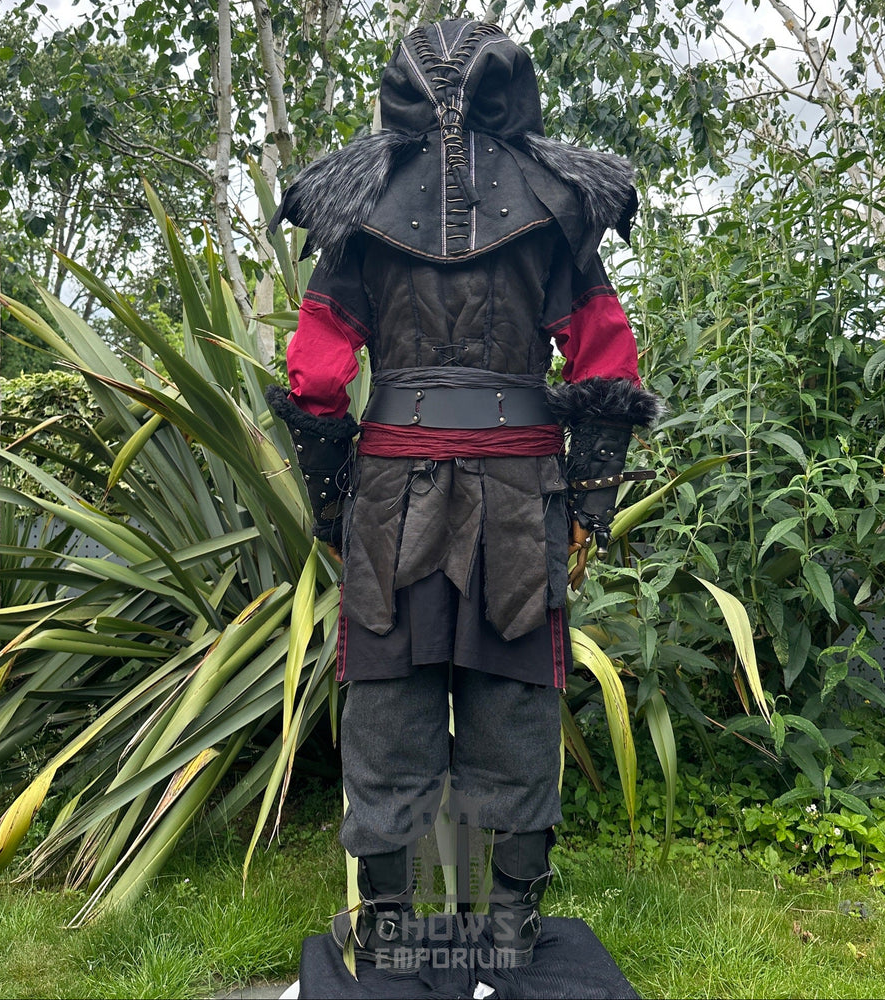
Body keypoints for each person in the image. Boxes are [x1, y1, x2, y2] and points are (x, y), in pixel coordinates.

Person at [266, 17, 660, 973]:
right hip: (522, 491)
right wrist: (590, 501)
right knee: (515, 695)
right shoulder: (555, 202)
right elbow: (606, 353)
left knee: (391, 700)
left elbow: (317, 372)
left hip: (393, 490)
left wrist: (330, 506)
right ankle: (511, 925)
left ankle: (391, 927)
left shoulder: (357, 203)